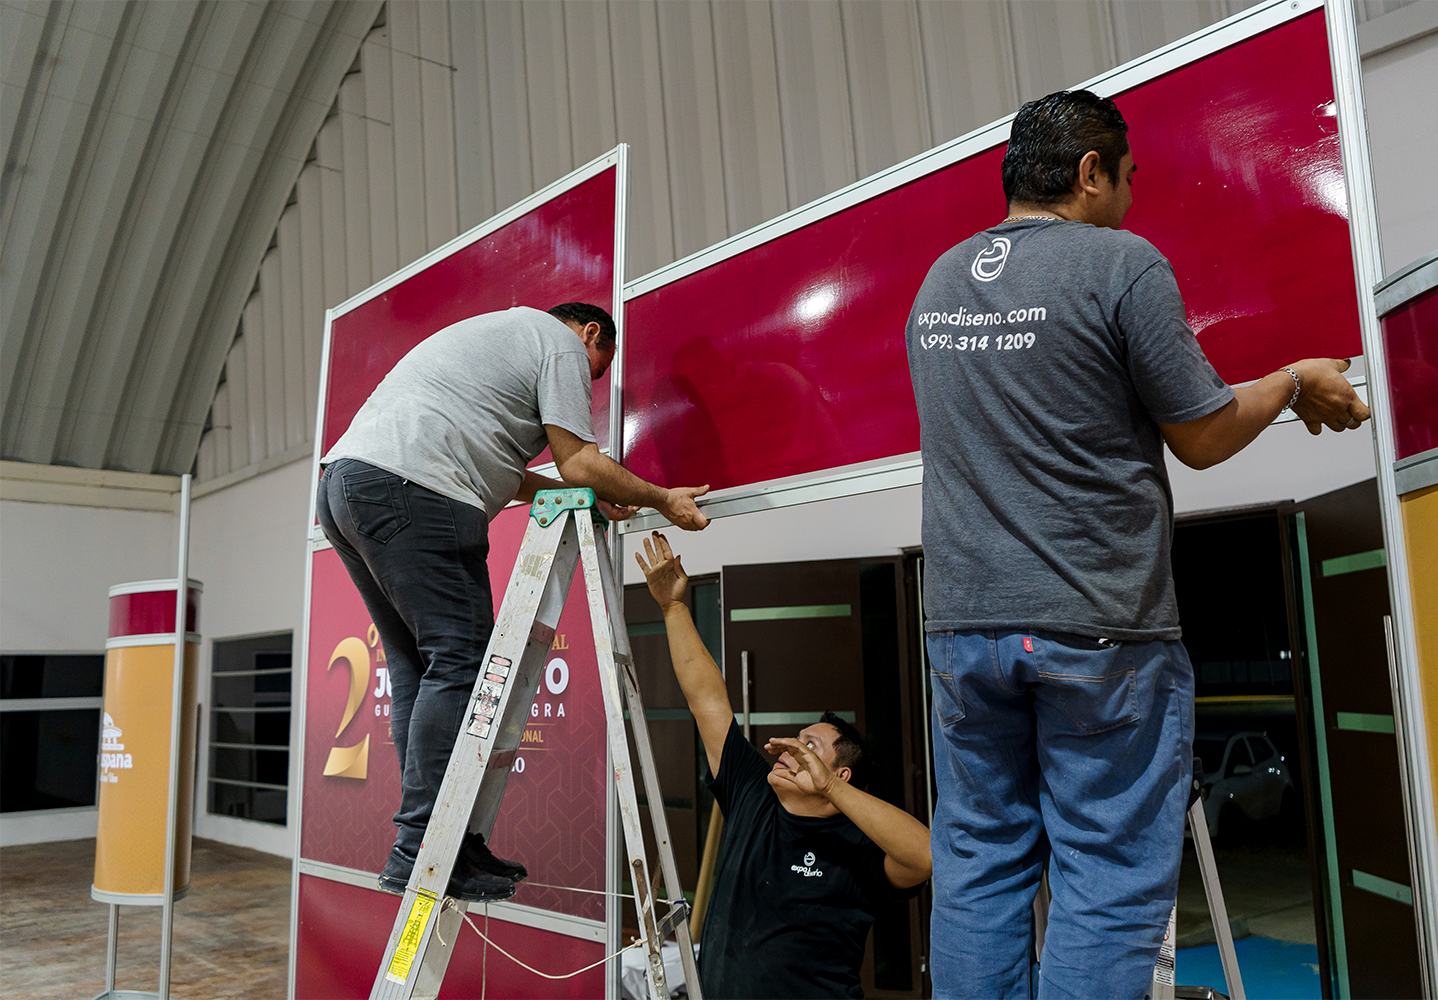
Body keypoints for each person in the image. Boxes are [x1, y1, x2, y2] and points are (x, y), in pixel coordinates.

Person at [904, 90, 1370, 999]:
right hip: (1098, 630)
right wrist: (1290, 382)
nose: (1129, 198)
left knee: (978, 865)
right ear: (1090, 172)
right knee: (1108, 878)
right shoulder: (1119, 264)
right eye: (1127, 179)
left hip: (964, 631)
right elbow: (1201, 436)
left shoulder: (939, 282)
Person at [317, 303, 710, 902]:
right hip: (411, 487)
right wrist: (660, 499)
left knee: (418, 667)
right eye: (597, 370)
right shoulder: (558, 342)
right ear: (591, 334)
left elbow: (521, 474)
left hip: (348, 486)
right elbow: (579, 459)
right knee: (460, 661)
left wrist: (593, 497)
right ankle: (425, 845)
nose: (590, 382)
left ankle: (439, 840)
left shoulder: (499, 344)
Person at [634, 532, 932, 1000]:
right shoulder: (753, 793)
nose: (791, 749)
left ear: (840, 775)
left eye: (810, 746)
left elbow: (926, 857)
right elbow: (708, 700)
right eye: (796, 740)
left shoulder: (858, 847)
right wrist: (674, 608)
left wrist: (831, 789)